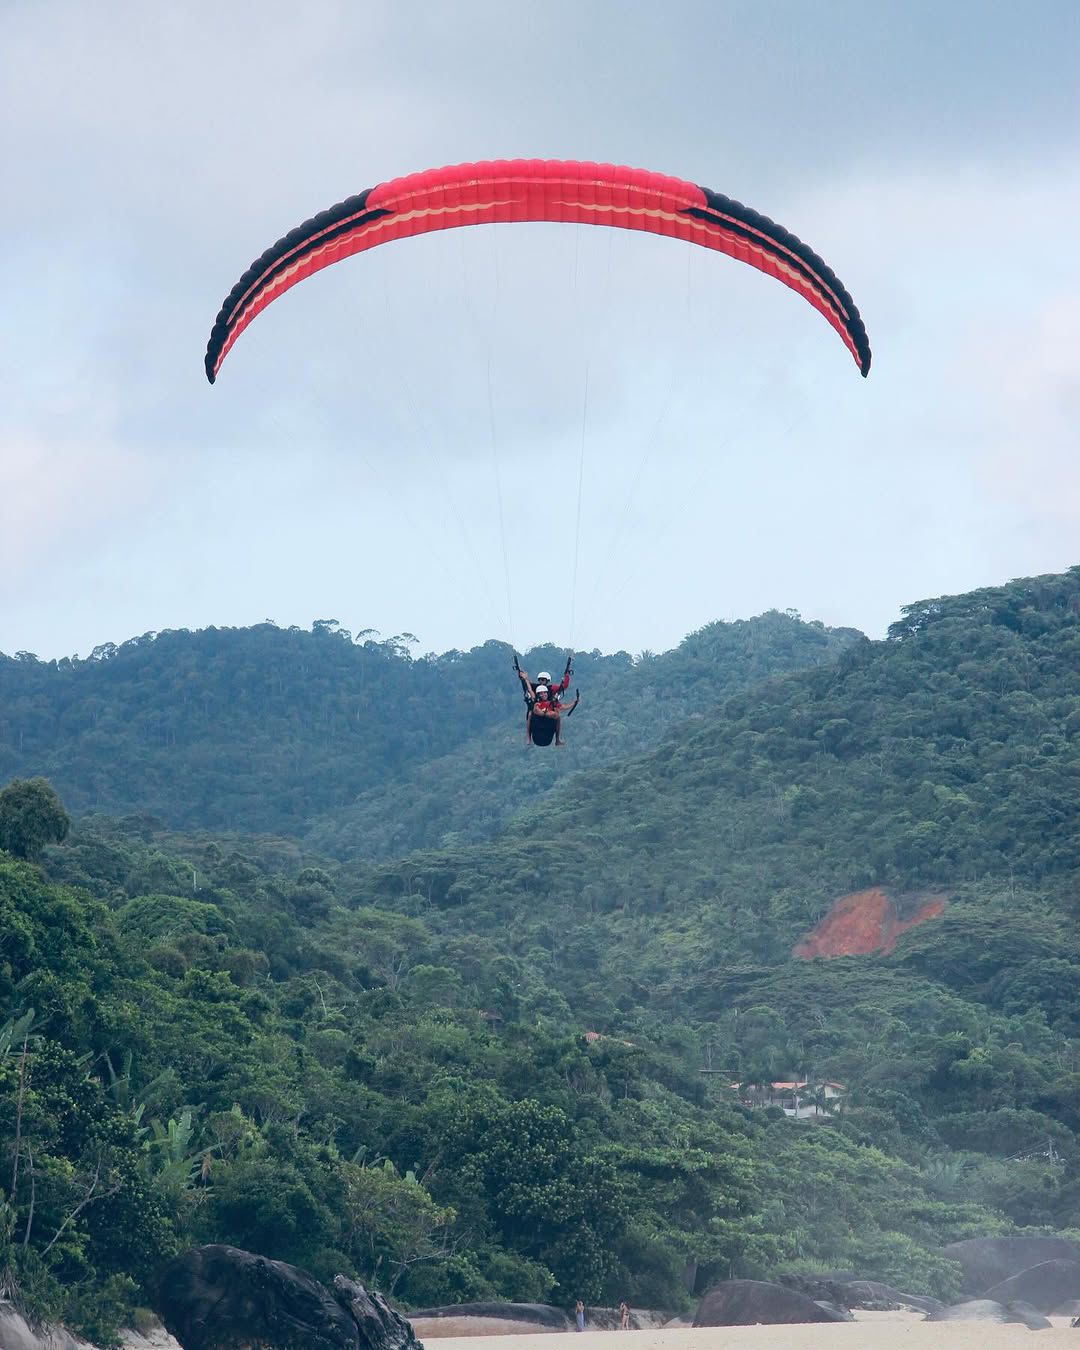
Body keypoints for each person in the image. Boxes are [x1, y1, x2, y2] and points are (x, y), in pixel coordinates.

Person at [516, 658, 579, 747]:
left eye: (543, 680)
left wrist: (567, 675)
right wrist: (524, 677)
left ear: (547, 680)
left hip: (549, 711)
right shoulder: (536, 689)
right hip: (537, 712)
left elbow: (563, 689)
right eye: (540, 680)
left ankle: (557, 739)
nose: (541, 682)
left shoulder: (551, 689)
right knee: (530, 713)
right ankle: (528, 737)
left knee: (557, 715)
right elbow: (529, 687)